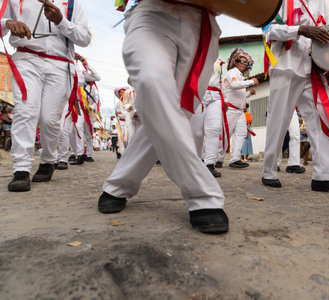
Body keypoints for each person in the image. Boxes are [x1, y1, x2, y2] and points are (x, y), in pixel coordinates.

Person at [98, 0, 228, 234]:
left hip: (202, 25)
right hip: (152, 14)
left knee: (171, 112)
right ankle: (202, 194)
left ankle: (118, 184)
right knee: (152, 81)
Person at [262, 0, 329, 193]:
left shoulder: (321, 2)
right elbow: (267, 30)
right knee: (279, 120)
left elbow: (328, 33)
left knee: (322, 119)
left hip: (314, 68)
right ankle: (269, 171)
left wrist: (327, 60)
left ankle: (324, 176)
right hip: (285, 65)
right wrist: (299, 30)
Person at [2, 0, 91, 192]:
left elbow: (84, 38)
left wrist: (61, 20)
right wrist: (7, 23)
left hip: (60, 65)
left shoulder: (72, 3)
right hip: (26, 58)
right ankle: (21, 170)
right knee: (26, 111)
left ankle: (48, 160)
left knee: (49, 120)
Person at [56, 54, 101, 169]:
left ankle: (81, 154)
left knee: (79, 128)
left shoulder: (82, 74)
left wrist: (85, 64)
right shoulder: (60, 68)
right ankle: (74, 154)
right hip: (65, 102)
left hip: (79, 105)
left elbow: (97, 76)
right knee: (68, 130)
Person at [218, 48, 258, 169]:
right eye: (242, 62)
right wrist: (251, 82)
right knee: (226, 135)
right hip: (230, 110)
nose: (244, 65)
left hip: (240, 112)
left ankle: (235, 159)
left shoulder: (240, 76)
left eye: (246, 64)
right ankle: (217, 159)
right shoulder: (232, 73)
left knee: (241, 134)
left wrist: (249, 94)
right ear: (235, 62)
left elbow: (239, 95)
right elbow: (235, 86)